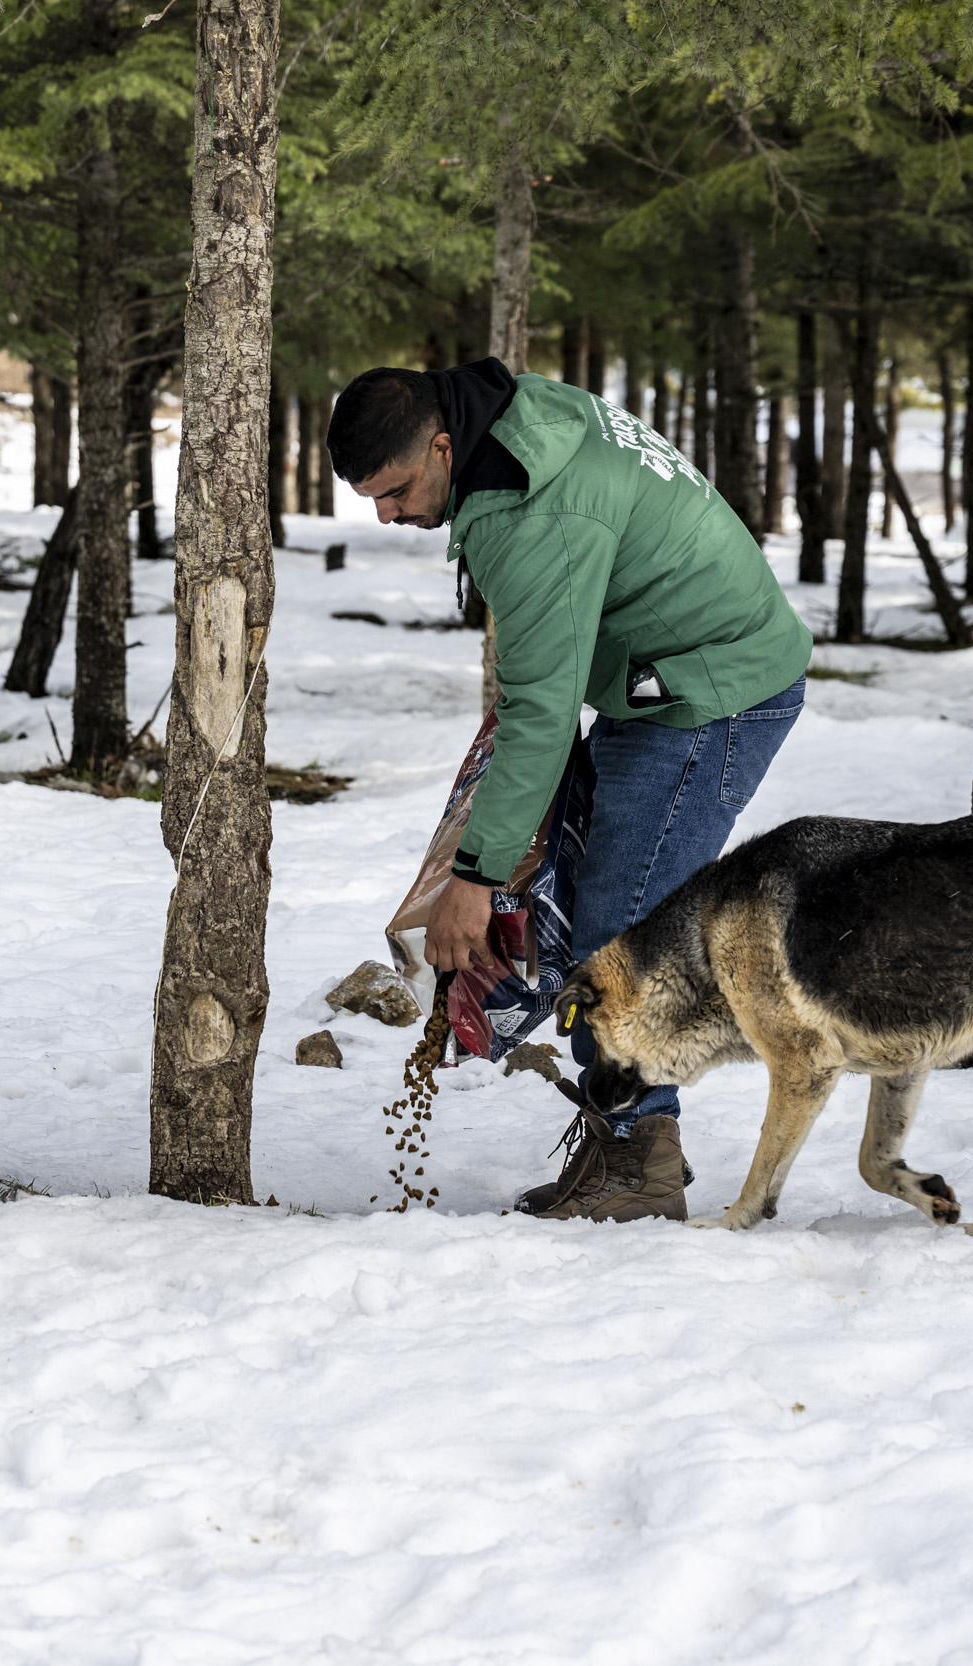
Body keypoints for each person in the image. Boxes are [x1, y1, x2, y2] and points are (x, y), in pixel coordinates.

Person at [329, 357, 812, 1222]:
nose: (387, 514)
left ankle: (639, 1161)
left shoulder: (529, 509)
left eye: (396, 489)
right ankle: (618, 1141)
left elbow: (542, 713)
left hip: (712, 693)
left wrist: (471, 883)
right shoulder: (508, 418)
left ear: (442, 446)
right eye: (370, 498)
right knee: (604, 916)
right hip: (661, 674)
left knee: (618, 935)